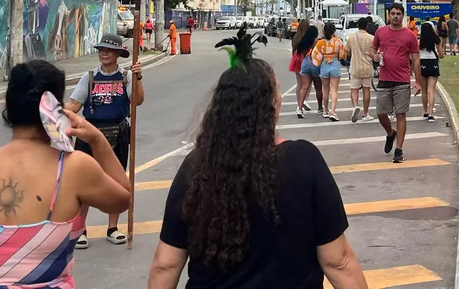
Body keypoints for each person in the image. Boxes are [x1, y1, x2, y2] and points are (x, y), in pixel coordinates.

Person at [147, 27, 368, 289]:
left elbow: (166, 264)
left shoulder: (196, 166)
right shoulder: (303, 160)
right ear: (272, 104)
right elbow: (338, 261)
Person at [0, 60, 132, 289]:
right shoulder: (73, 168)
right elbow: (122, 199)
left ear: (7, 104)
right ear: (56, 110)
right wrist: (97, 139)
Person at [65, 34, 144, 248]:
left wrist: (138, 78)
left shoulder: (126, 77)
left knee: (116, 181)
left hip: (117, 132)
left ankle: (112, 228)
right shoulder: (89, 77)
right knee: (83, 182)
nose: (104, 53)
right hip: (89, 133)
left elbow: (137, 101)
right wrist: (53, 112)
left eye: (109, 50)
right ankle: (80, 230)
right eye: (101, 49)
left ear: (118, 53)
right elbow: (74, 105)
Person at [371, 3, 420, 164]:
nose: (395, 16)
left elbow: (416, 59)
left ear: (403, 16)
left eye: (398, 13)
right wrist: (375, 56)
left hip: (402, 80)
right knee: (380, 113)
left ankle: (399, 149)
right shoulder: (381, 32)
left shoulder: (410, 36)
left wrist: (418, 82)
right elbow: (372, 49)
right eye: (392, 13)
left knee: (400, 114)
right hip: (384, 79)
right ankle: (390, 133)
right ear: (388, 15)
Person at [310, 22, 346, 121]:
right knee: (334, 89)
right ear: (334, 31)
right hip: (335, 64)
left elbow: (315, 55)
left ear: (323, 31)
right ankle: (333, 111)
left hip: (324, 64)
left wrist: (320, 61)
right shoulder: (338, 41)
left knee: (325, 89)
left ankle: (325, 110)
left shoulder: (320, 43)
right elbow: (343, 54)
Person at [347, 16, 375, 123]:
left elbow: (348, 52)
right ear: (367, 26)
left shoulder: (351, 37)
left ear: (357, 26)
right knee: (366, 90)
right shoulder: (371, 38)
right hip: (367, 67)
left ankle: (355, 106)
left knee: (354, 89)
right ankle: (365, 114)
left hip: (355, 66)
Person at [295, 24, 323, 119]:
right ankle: (320, 108)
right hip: (315, 63)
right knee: (318, 88)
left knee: (304, 87)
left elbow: (300, 54)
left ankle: (299, 108)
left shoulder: (304, 42)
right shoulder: (317, 42)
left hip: (305, 63)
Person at [418, 22, 443, 122]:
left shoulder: (420, 41)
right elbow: (441, 55)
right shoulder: (437, 40)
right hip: (433, 63)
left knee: (424, 90)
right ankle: (431, 114)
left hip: (423, 62)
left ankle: (425, 111)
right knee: (431, 90)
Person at [289, 18, 313, 114]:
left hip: (296, 59)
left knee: (299, 83)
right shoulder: (309, 37)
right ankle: (304, 100)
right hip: (306, 59)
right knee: (308, 83)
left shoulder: (296, 37)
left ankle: (299, 104)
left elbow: (293, 49)